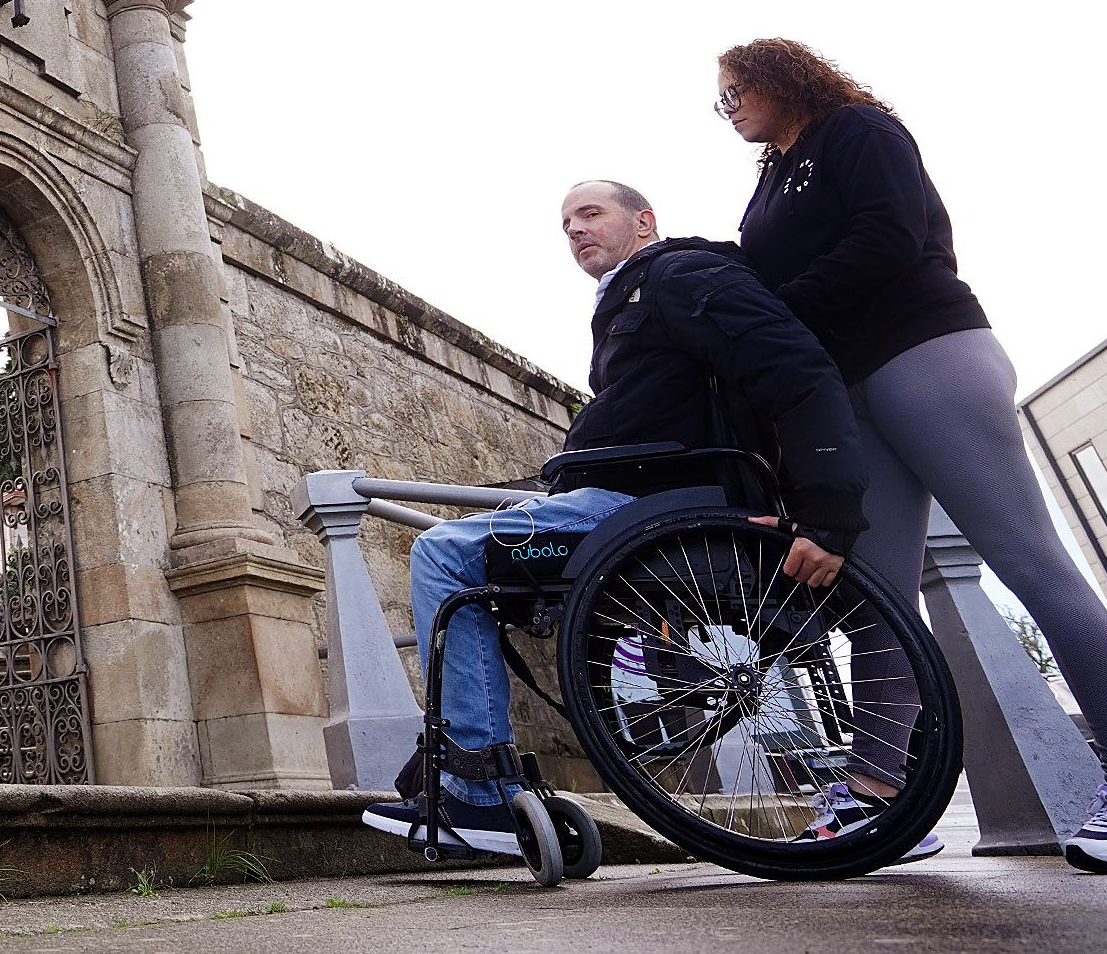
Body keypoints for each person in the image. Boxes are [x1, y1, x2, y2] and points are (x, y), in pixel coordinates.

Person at [715, 37, 1107, 874]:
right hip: (848, 386)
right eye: (717, 97)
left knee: (1028, 558)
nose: (726, 106)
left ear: (781, 75)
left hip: (926, 351)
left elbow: (888, 235)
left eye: (734, 88)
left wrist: (775, 318)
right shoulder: (771, 175)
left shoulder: (857, 128)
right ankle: (878, 797)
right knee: (875, 590)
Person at [364, 180, 884, 856]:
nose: (574, 230)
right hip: (631, 495)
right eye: (565, 223)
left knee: (444, 552)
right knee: (486, 567)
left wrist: (828, 512)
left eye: (589, 213)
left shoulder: (680, 273)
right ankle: (469, 772)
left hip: (648, 502)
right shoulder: (637, 296)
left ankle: (476, 791)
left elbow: (798, 370)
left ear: (642, 220)